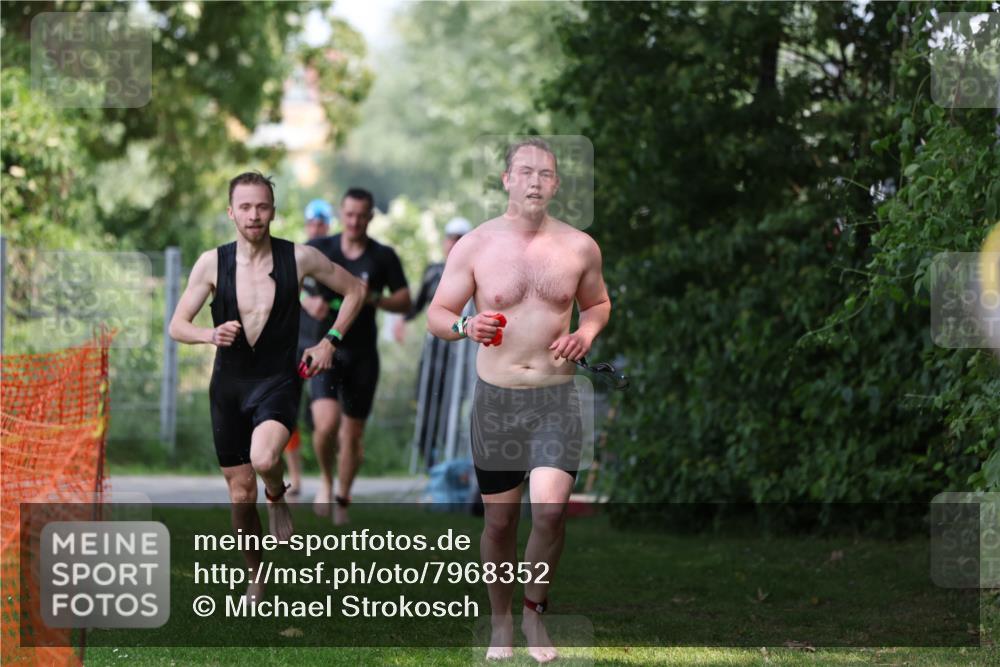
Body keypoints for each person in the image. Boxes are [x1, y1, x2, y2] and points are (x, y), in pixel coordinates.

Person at [427, 138, 610, 663]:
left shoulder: (579, 247)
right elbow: (438, 313)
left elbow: (597, 303)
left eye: (545, 173)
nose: (535, 181)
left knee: (550, 513)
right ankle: (501, 621)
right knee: (500, 524)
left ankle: (534, 614)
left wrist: (586, 334)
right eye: (525, 171)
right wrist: (466, 324)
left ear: (556, 184)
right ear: (506, 179)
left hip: (556, 397)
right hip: (497, 402)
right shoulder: (476, 246)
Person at [168, 172, 365, 600]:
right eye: (245, 207)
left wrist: (330, 340)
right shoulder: (211, 263)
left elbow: (356, 290)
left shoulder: (300, 258)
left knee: (264, 457)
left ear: (272, 211)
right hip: (228, 388)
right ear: (231, 212)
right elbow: (177, 325)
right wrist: (209, 334)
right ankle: (256, 574)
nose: (254, 215)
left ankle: (277, 494)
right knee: (240, 495)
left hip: (278, 380)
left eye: (261, 206)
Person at [299, 188, 411, 524]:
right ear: (341, 213)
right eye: (349, 214)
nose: (355, 221)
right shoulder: (321, 248)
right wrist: (307, 302)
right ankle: (325, 479)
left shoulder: (382, 256)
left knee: (352, 434)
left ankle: (343, 500)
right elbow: (288, 280)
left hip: (362, 353)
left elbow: (405, 300)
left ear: (371, 217)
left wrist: (373, 299)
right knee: (325, 424)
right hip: (323, 349)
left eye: (362, 215)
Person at [394, 217, 471, 468]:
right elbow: (418, 305)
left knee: (452, 406)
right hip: (435, 350)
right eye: (450, 238)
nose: (454, 244)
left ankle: (448, 460)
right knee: (427, 401)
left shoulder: (476, 270)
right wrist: (402, 321)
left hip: (462, 353)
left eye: (460, 239)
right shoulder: (434, 271)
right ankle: (429, 460)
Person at [283, 198, 336, 497]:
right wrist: (305, 300)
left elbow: (352, 296)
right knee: (286, 414)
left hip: (324, 347)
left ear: (329, 226)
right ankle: (296, 479)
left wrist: (329, 303)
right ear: (307, 224)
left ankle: (328, 480)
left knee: (323, 419)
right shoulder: (294, 256)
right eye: (312, 223)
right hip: (295, 344)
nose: (317, 227)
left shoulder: (336, 257)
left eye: (322, 223)